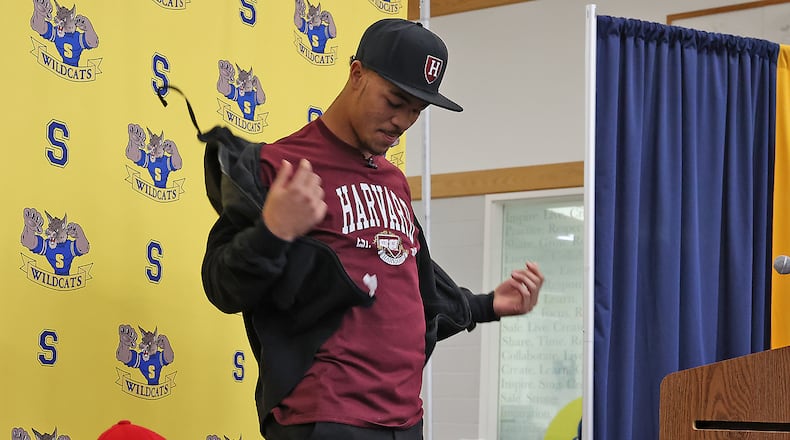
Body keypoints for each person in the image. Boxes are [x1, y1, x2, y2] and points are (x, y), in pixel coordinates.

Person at [201, 18, 544, 440]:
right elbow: (220, 285)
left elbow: (415, 292)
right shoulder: (278, 166)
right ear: (356, 74)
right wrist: (272, 230)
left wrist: (486, 306)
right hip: (325, 419)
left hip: (405, 419)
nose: (403, 121)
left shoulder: (393, 180)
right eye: (395, 101)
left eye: (417, 110)